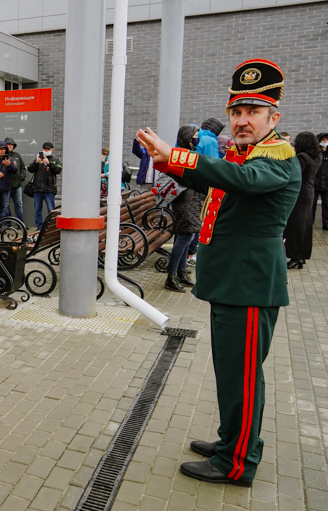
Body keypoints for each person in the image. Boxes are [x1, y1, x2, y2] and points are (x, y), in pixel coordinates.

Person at [137, 59, 300, 487]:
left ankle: (237, 463)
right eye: (236, 112)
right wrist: (168, 163)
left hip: (248, 284)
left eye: (253, 112)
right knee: (232, 373)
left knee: (242, 378)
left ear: (273, 118)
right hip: (234, 282)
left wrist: (178, 154)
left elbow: (238, 180)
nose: (242, 120)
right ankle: (232, 441)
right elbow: (218, 182)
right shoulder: (247, 157)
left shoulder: (277, 158)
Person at [163, 125, 205, 292]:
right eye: (195, 135)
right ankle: (171, 276)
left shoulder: (187, 152)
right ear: (188, 138)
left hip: (191, 200)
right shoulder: (182, 155)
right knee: (184, 238)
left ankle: (181, 272)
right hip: (186, 200)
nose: (197, 138)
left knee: (187, 236)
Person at [284, 132, 321, 269]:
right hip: (309, 191)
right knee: (305, 224)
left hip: (299, 193)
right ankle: (302, 256)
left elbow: (294, 174)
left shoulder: (302, 157)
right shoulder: (317, 156)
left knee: (295, 225)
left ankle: (295, 257)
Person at [27, 142, 61, 229]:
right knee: (37, 210)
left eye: (48, 149)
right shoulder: (38, 159)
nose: (46, 150)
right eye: (44, 149)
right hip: (37, 189)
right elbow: (30, 169)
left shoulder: (55, 160)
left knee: (51, 210)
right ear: (42, 149)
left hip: (49, 189)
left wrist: (49, 163)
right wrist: (36, 162)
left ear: (52, 150)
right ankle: (39, 227)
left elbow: (58, 170)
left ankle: (51, 227)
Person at [4, 137, 26, 223]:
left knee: (19, 205)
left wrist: (22, 176)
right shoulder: (1, 156)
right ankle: (8, 223)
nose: (10, 146)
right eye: (8, 144)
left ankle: (20, 223)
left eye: (11, 145)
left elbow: (23, 167)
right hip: (6, 185)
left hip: (17, 185)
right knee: (5, 205)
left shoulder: (17, 155)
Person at [312, 132, 328, 229]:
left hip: (326, 184)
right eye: (323, 140)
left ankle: (326, 224)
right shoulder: (315, 153)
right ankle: (310, 224)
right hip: (315, 184)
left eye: (326, 140)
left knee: (327, 205)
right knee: (311, 205)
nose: (325, 141)